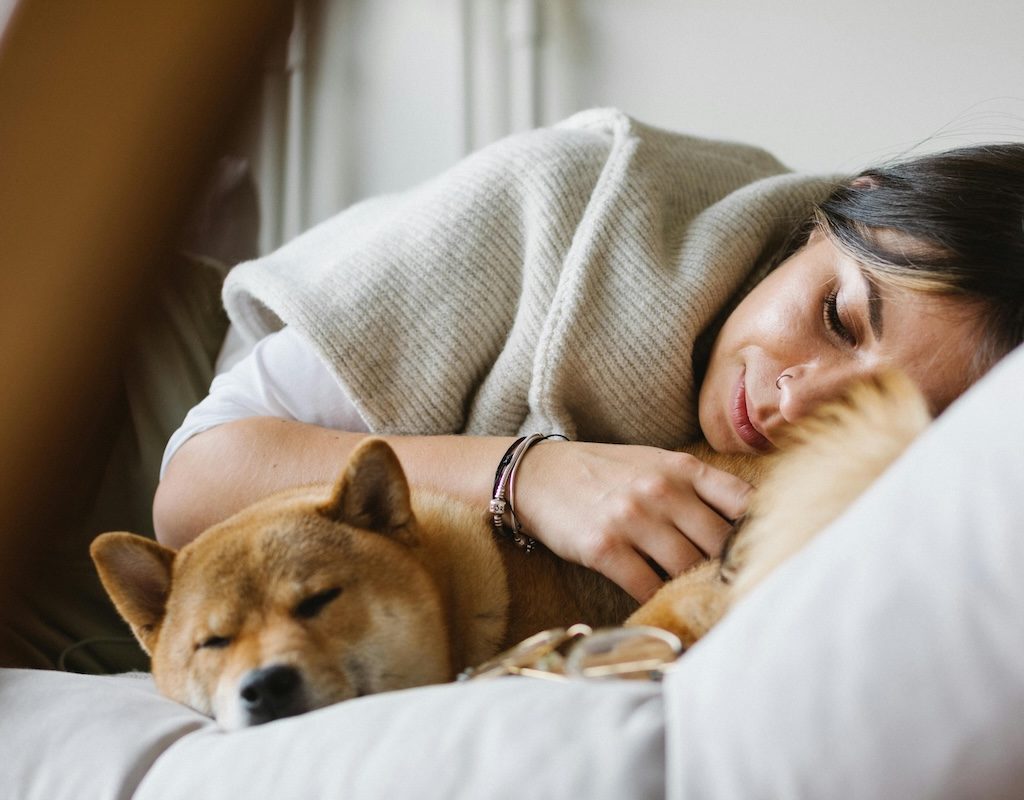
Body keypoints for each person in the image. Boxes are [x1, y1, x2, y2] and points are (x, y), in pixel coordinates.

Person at [154, 109, 1024, 604]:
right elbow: (193, 487)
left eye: (879, 411)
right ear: (842, 208)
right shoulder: (570, 196)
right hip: (152, 404)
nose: (798, 403)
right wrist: (530, 477)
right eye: (837, 317)